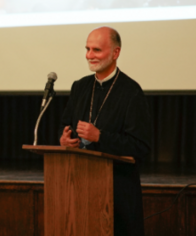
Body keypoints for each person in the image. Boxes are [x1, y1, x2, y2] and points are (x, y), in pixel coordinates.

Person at [60, 26, 152, 236]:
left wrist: (100, 137)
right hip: (79, 186)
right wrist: (65, 140)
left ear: (115, 53)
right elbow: (66, 125)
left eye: (96, 50)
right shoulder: (80, 87)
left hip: (117, 192)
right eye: (87, 49)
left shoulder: (131, 92)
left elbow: (140, 146)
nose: (89, 55)